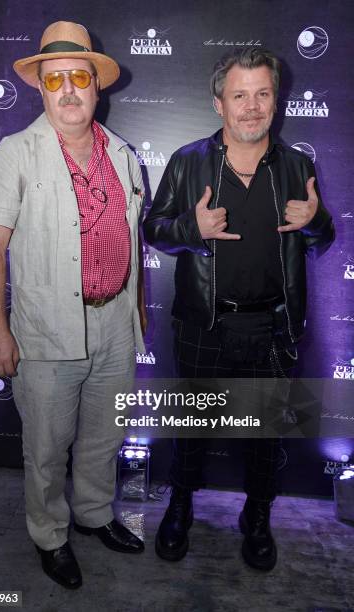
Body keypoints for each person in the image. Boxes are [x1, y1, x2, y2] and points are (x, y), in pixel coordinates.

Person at [143, 48, 334, 571]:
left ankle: (257, 516)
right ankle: (179, 506)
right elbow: (152, 228)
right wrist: (190, 229)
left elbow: (324, 235)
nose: (251, 107)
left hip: (274, 328)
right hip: (204, 325)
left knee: (267, 436)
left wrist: (315, 221)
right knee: (193, 431)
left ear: (276, 100)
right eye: (239, 95)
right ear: (218, 104)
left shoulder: (297, 164)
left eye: (262, 94)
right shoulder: (187, 161)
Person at [0, 21, 146, 589]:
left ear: (96, 85)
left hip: (116, 326)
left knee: (104, 436)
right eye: (56, 80)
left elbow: (133, 240)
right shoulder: (14, 153)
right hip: (44, 332)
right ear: (41, 89)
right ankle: (50, 535)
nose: (69, 89)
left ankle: (95, 514)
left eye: (79, 76)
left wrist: (138, 309)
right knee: (46, 451)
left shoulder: (123, 155)